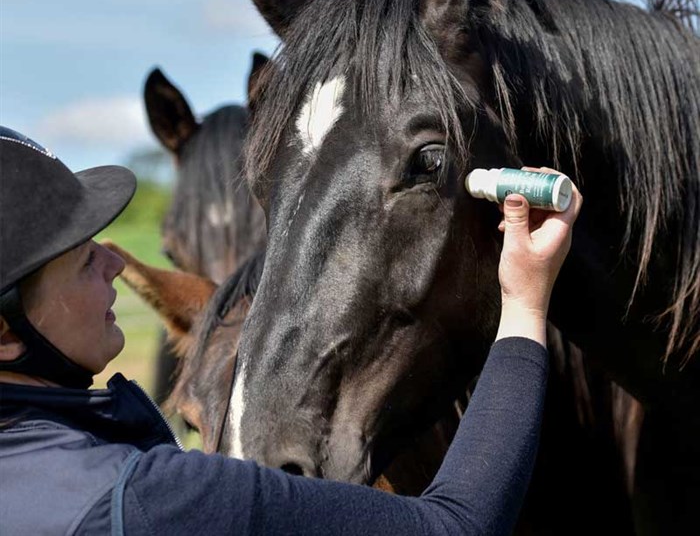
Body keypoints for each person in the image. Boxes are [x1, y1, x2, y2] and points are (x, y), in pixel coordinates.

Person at [0, 125, 582, 536]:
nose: (116, 264)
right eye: (82, 262)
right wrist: (525, 303)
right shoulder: (150, 500)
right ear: (5, 336)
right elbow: (459, 526)